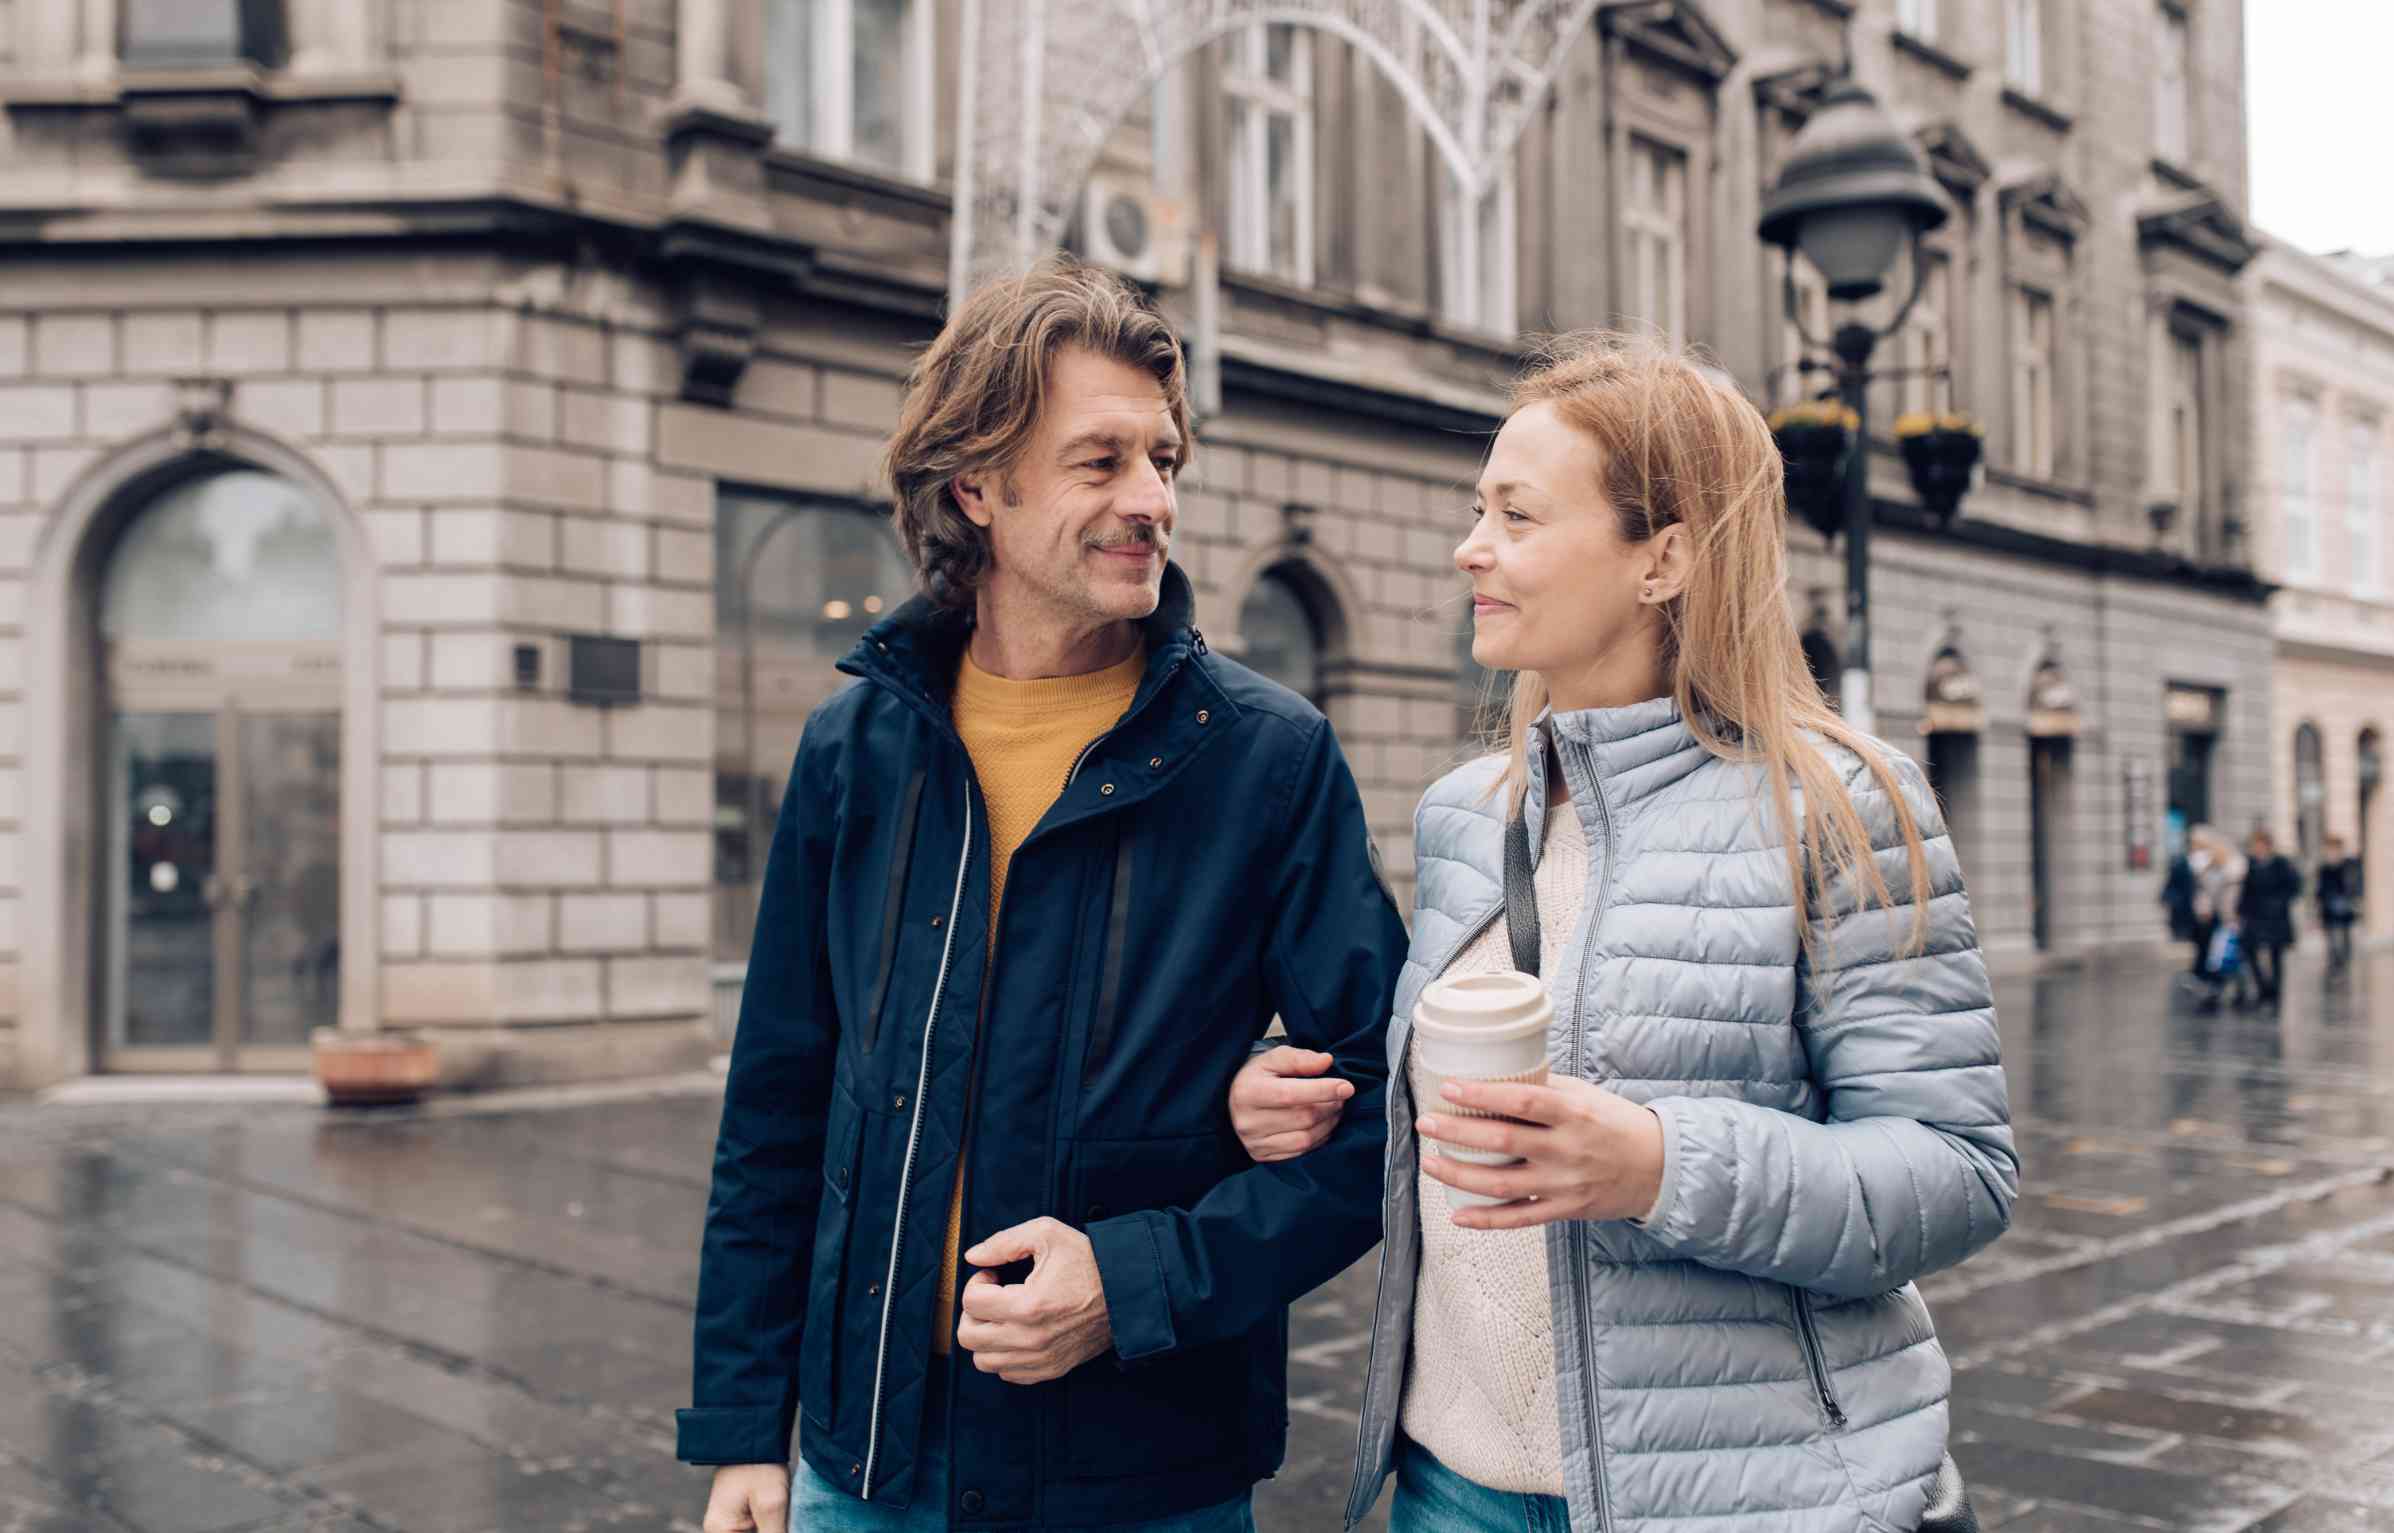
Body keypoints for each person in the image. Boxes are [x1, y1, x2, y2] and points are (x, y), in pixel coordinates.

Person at [1231, 333, 2016, 1533]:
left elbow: (1957, 1175)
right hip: (1453, 1484)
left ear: (1665, 556)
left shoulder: (1843, 805)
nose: (1470, 547)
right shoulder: (1465, 815)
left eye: (1517, 515)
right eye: (1475, 508)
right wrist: (1286, 1102)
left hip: (1739, 1496)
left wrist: (1659, 1164)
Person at [681, 257, 1404, 1533]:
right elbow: (779, 1109)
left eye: (1165, 461)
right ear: (980, 487)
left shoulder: (1265, 757)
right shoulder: (856, 748)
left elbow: (1387, 1124)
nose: (1151, 501)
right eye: (1101, 461)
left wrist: (1134, 1283)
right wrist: (747, 1429)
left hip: (1140, 1478)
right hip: (868, 1469)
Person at [2236, 828, 2301, 1008]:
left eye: (2260, 845)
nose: (2257, 849)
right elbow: (2246, 891)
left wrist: (2279, 903)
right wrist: (2240, 911)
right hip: (2255, 916)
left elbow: (2293, 887)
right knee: (2249, 950)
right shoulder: (2250, 865)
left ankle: (2275, 992)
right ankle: (2264, 987)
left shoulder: (2281, 864)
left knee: (2276, 955)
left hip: (2276, 917)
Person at [2317, 834, 2361, 970]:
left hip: (2345, 907)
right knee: (2331, 939)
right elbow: (2320, 889)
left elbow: (2355, 884)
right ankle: (2335, 963)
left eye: (2335, 849)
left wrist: (2354, 900)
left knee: (2345, 937)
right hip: (2328, 908)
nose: (2332, 852)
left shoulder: (2348, 865)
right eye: (2330, 849)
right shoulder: (2324, 867)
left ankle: (2343, 962)